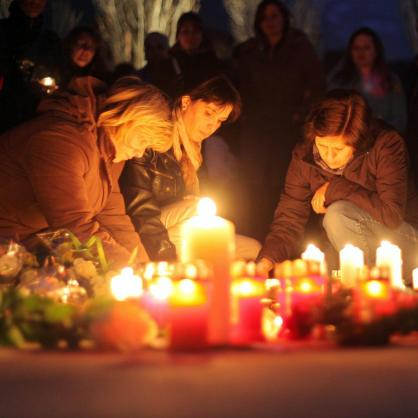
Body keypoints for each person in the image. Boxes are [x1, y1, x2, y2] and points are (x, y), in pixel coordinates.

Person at [0, 76, 173, 265]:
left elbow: (114, 220)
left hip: (39, 245)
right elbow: (74, 225)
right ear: (125, 118)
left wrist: (143, 266)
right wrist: (132, 273)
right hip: (8, 247)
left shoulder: (109, 151)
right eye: (142, 140)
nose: (139, 152)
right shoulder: (61, 141)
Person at [257, 90, 418, 283]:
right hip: (346, 240)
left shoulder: (386, 145)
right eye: (323, 147)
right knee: (322, 278)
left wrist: (336, 188)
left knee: (337, 214)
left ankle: (368, 292)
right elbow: (289, 218)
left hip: (404, 243)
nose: (329, 157)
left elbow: (391, 215)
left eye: (339, 149)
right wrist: (267, 259)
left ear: (357, 143)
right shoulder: (304, 157)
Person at [120, 76, 261, 261]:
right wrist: (166, 257)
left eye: (220, 120)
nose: (212, 126)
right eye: (209, 113)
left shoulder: (194, 152)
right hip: (145, 228)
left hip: (179, 227)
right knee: (196, 209)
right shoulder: (153, 136)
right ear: (186, 102)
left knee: (254, 250)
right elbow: (140, 209)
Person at [234, 0, 325, 241]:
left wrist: (301, 115)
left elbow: (316, 85)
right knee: (254, 187)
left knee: (285, 185)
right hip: (256, 130)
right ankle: (256, 241)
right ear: (259, 22)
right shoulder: (249, 51)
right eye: (266, 17)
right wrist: (245, 114)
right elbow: (238, 85)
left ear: (284, 18)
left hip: (288, 127)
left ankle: (286, 241)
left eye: (275, 16)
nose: (271, 22)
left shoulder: (299, 47)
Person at [328, 27, 407, 133]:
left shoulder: (391, 81)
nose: (361, 52)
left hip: (382, 140)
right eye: (356, 48)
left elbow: (400, 119)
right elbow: (330, 111)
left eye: (366, 47)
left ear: (376, 51)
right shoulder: (340, 80)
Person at [0, 0, 62, 132]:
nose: (35, 2)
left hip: (33, 120)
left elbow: (58, 76)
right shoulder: (2, 31)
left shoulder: (50, 41)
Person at [170, 11, 226, 94]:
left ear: (202, 34)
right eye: (185, 31)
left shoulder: (213, 64)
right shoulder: (169, 64)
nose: (191, 36)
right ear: (178, 36)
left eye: (195, 31)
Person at [138, 32, 182, 98]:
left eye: (160, 47)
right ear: (145, 51)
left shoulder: (179, 75)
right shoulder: (138, 79)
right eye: (150, 48)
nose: (155, 52)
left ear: (167, 50)